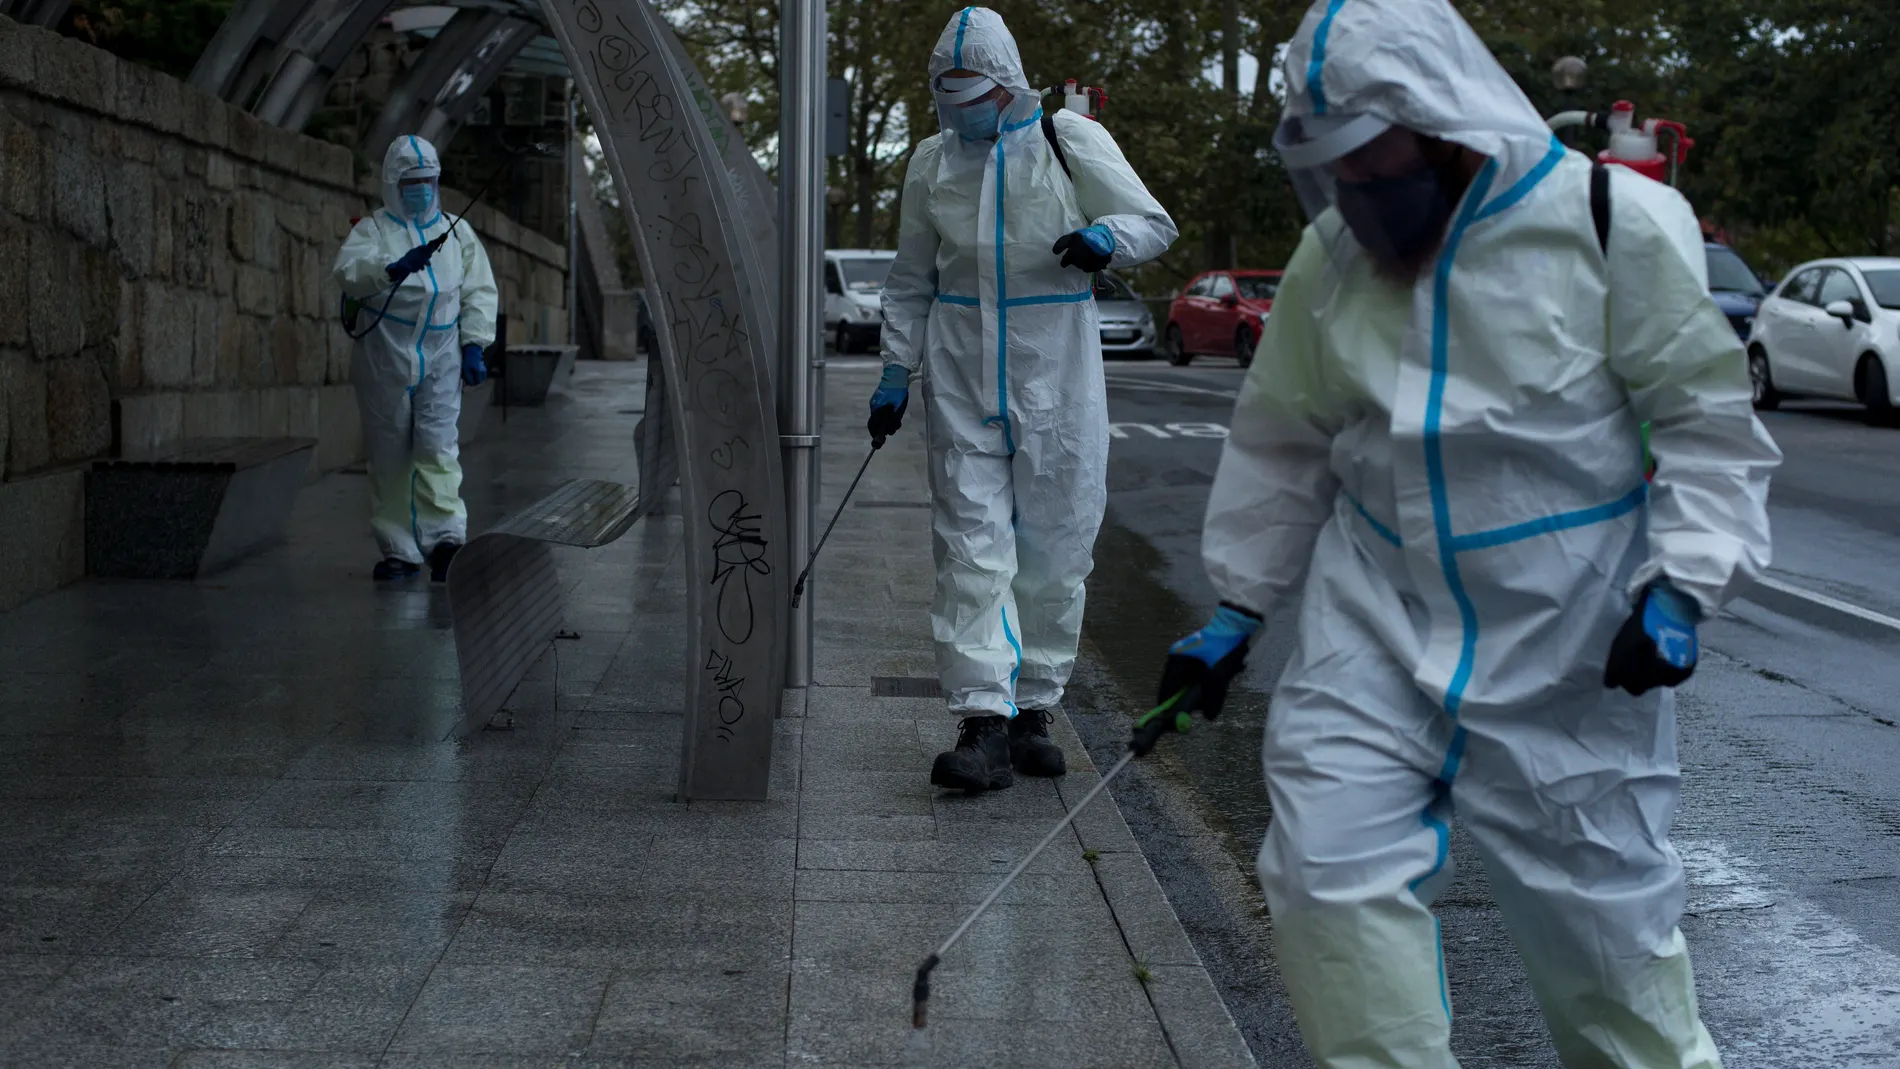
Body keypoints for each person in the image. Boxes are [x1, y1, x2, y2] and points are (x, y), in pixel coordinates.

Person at [1155, 1, 1780, 1065]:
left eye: (1367, 158)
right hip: (1377, 615)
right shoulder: (1332, 252)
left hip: (1563, 627)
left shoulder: (1606, 223)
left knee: (1606, 950)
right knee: (1324, 874)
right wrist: (1237, 600)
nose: (1352, 191)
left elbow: (1704, 426)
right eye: (1330, 169)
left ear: (1437, 118)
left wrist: (1682, 584)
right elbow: (1283, 437)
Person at [876, 7, 1178, 793]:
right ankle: (981, 721)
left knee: (1056, 546)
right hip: (962, 371)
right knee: (971, 545)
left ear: (1007, 85)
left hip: (1058, 371)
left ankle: (1034, 707)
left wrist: (1105, 239)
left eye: (970, 92)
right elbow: (911, 281)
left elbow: (1151, 222)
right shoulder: (931, 162)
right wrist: (892, 371)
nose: (958, 108)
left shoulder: (1068, 141)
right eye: (947, 94)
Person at [333, 136, 499, 582]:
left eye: (428, 181)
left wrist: (474, 345)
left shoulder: (457, 232)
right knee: (389, 455)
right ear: (394, 183)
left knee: (438, 447)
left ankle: (446, 541)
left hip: (441, 356)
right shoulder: (373, 231)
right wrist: (389, 268)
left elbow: (479, 290)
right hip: (385, 355)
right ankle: (399, 551)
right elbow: (348, 274)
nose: (421, 189)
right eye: (412, 182)